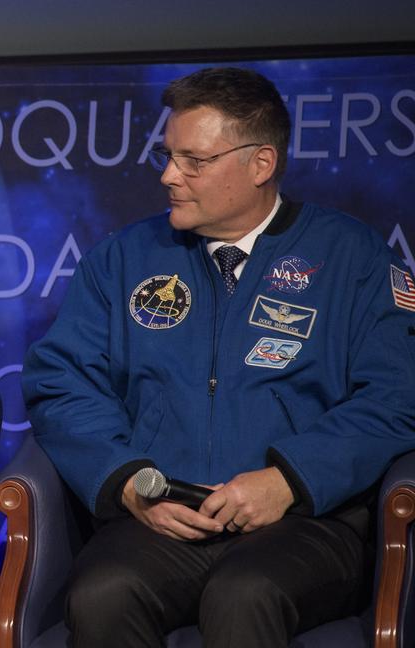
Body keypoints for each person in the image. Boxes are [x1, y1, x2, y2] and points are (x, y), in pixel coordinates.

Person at [22, 66, 415, 647]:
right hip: (162, 517)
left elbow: (397, 396)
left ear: (259, 164)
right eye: (168, 155)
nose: (168, 176)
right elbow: (61, 384)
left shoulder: (350, 256)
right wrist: (129, 480)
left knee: (242, 595)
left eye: (193, 161)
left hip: (301, 521)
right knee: (101, 594)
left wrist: (288, 479)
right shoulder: (124, 258)